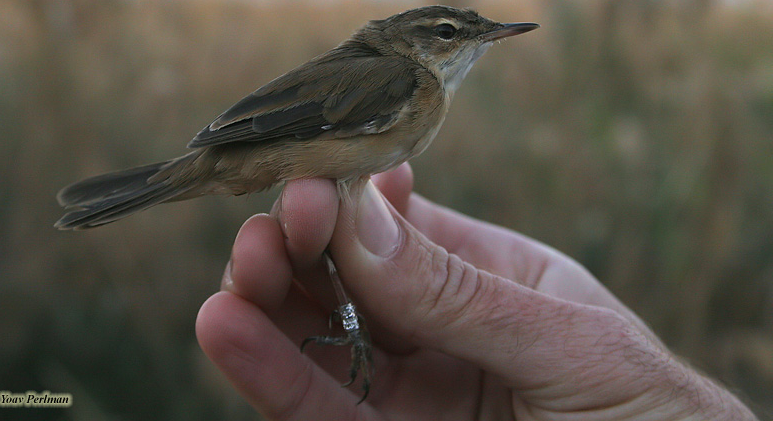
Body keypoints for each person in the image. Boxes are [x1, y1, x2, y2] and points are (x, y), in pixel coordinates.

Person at [196, 163, 757, 420]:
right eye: (448, 34)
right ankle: (351, 328)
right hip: (276, 157)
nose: (469, 42)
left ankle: (352, 328)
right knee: (320, 236)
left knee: (324, 240)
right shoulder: (408, 86)